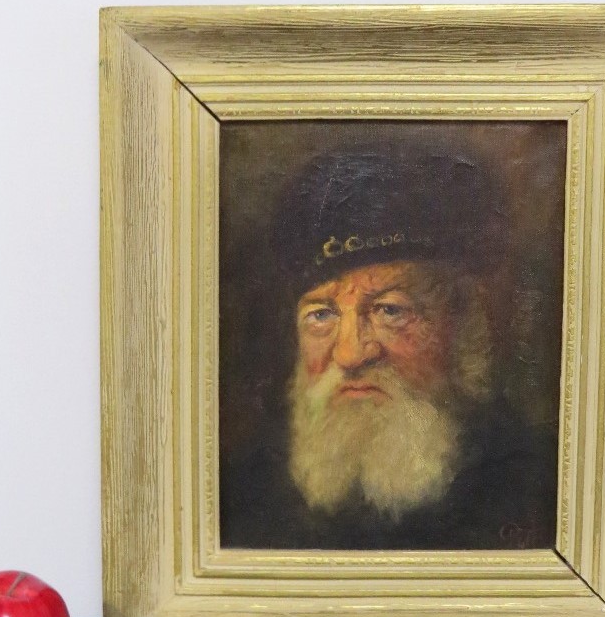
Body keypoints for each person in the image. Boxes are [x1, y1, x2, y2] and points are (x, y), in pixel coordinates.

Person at [220, 151, 558, 549]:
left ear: (464, 324)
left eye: (390, 311)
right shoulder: (243, 493)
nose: (350, 355)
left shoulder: (537, 485)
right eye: (321, 314)